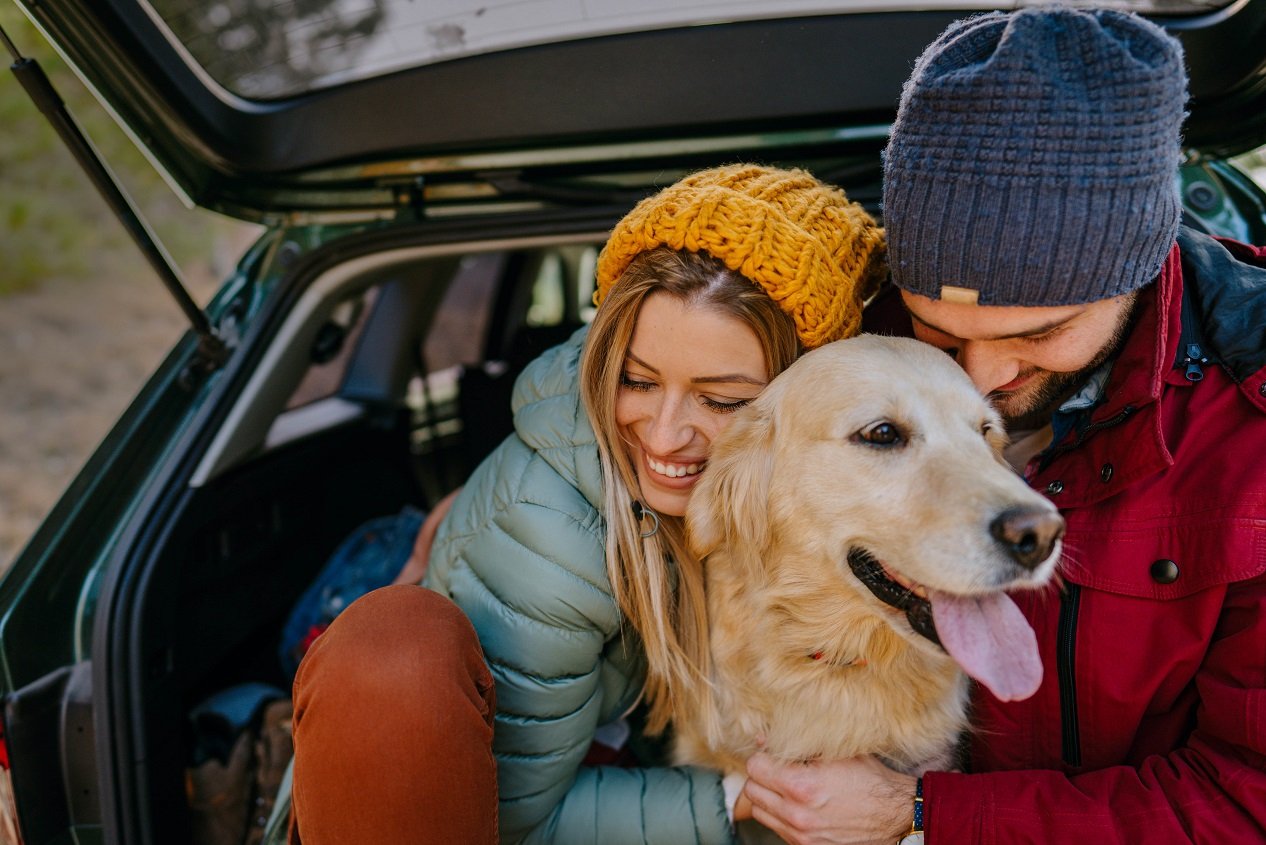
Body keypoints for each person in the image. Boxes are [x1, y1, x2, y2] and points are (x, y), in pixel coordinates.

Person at [738, 8, 1266, 844]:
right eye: (940, 332)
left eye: (1038, 334)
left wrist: (920, 817)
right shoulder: (837, 338)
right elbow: (659, 376)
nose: (982, 375)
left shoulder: (1250, 423)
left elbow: (1249, 800)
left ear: (1136, 269)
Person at [286, 164, 886, 843]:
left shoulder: (814, 490)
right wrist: (744, 796)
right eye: (635, 380)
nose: (664, 435)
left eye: (720, 400)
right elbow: (519, 820)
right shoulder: (556, 542)